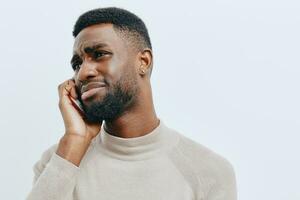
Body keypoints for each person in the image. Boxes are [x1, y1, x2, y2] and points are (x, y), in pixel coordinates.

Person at [26, 7, 237, 200]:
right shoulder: (60, 161)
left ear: (143, 62)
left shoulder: (208, 171)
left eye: (99, 54)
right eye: (77, 63)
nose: (83, 72)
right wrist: (74, 140)